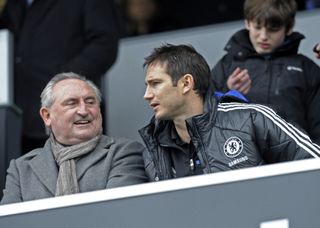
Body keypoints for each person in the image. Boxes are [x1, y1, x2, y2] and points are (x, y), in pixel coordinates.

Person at [138, 44, 320, 181]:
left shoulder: (252, 118)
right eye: (147, 85)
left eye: (156, 84)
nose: (147, 95)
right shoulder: (152, 146)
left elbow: (315, 164)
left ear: (186, 83)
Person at [0, 72, 148, 204]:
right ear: (47, 116)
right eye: (71, 103)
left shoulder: (124, 152)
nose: (83, 111)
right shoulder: (21, 168)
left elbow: (119, 214)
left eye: (90, 102)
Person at [0, 0, 119, 153]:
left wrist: (62, 82)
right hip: (19, 121)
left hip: (71, 117)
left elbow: (104, 45)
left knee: (81, 174)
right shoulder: (12, 5)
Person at [211, 0, 320, 145]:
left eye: (272, 29)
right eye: (257, 27)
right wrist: (228, 95)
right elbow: (205, 118)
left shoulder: (306, 69)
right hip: (242, 159)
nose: (263, 36)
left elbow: (318, 126)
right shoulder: (226, 65)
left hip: (296, 160)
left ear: (288, 28)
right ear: (247, 23)